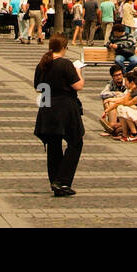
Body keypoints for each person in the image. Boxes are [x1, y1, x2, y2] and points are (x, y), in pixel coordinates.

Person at [33, 35, 85, 197]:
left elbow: (38, 87)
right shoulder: (65, 64)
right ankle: (62, 181)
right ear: (64, 47)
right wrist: (78, 71)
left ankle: (55, 181)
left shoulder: (42, 64)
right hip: (66, 108)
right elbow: (78, 86)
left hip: (47, 106)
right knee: (76, 142)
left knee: (53, 146)